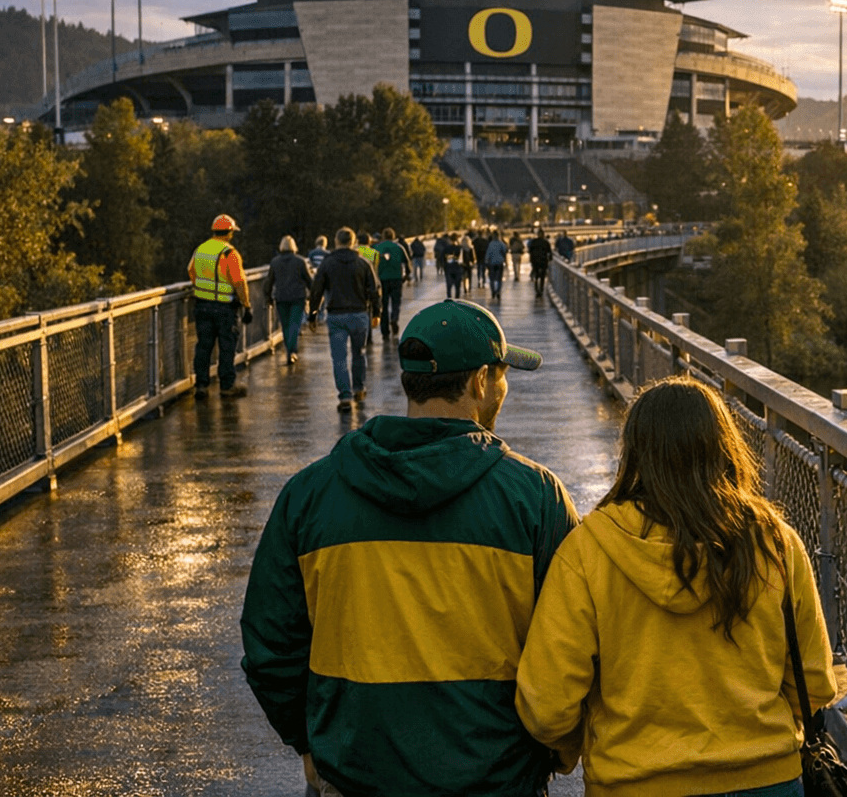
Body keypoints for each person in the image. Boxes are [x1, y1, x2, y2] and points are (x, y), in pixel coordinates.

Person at [241, 299, 579, 797]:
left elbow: (270, 645)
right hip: (497, 778)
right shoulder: (535, 497)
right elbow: (573, 644)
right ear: (481, 382)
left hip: (354, 775)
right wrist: (551, 749)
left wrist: (312, 742)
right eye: (503, 375)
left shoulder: (310, 495)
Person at [517, 377, 837, 796]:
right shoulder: (774, 542)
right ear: (723, 447)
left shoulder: (588, 550)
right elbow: (813, 684)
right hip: (766, 780)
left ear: (634, 452)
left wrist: (578, 748)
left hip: (634, 783)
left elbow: (546, 705)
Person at [307, 227, 379, 412]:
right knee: (359, 353)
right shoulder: (363, 263)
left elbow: (317, 290)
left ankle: (345, 396)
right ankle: (359, 387)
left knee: (339, 357)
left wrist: (313, 314)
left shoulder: (327, 263)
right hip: (359, 314)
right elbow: (373, 290)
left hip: (336, 315)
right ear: (353, 241)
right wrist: (377, 313)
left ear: (336, 241)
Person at [188, 213, 252, 399]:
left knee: (204, 346)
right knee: (226, 346)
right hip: (224, 308)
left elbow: (191, 271)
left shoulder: (201, 249)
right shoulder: (229, 253)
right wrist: (246, 305)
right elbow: (239, 282)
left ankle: (201, 385)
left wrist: (203, 288)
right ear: (230, 232)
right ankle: (226, 386)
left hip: (202, 305)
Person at [265, 235, 313, 365]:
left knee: (285, 325)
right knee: (294, 324)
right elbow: (309, 280)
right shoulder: (300, 261)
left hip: (281, 297)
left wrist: (268, 296)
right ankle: (292, 351)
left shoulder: (275, 262)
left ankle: (289, 351)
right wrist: (313, 295)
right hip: (298, 297)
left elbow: (269, 281)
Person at [374, 227, 410, 339]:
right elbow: (407, 262)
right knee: (396, 302)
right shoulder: (399, 247)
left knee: (383, 306)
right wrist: (406, 275)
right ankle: (394, 318)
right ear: (393, 236)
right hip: (396, 278)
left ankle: (385, 331)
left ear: (383, 236)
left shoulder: (377, 247)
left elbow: (366, 258)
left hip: (381, 280)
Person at [526, 228, 553, 299]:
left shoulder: (534, 242)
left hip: (535, 261)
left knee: (536, 276)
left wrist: (531, 260)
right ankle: (541, 289)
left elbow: (530, 251)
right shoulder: (546, 242)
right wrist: (550, 258)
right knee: (542, 277)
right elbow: (550, 252)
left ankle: (537, 290)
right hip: (543, 261)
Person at [485, 228, 509, 300]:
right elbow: (505, 250)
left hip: (492, 263)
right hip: (499, 262)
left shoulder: (491, 244)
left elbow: (488, 254)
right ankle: (498, 291)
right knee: (499, 279)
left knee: (492, 278)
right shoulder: (501, 244)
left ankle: (493, 291)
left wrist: (486, 262)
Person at [444, 232, 466, 299]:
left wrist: (445, 267)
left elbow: (443, 259)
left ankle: (449, 300)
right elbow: (462, 260)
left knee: (449, 287)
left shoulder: (446, 248)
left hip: (449, 268)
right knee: (457, 287)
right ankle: (457, 301)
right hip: (457, 269)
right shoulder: (459, 248)